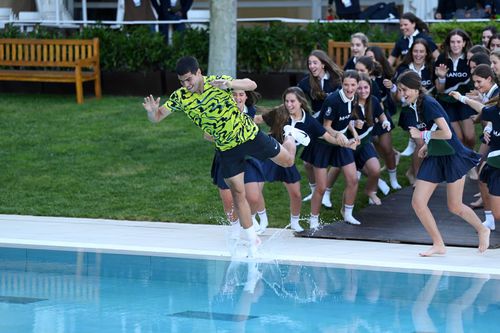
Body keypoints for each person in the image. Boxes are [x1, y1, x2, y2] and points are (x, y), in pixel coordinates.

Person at [142, 56, 297, 257]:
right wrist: (152, 112)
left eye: (189, 79)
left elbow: (252, 84)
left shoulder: (217, 82)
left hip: (248, 135)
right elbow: (157, 117)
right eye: (181, 81)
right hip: (227, 149)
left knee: (288, 162)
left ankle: (291, 137)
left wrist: (230, 83)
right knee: (237, 194)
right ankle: (252, 242)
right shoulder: (181, 97)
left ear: (198, 72)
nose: (186, 85)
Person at [397, 70, 490, 256]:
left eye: (405, 89)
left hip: (452, 155)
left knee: (454, 206)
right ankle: (438, 244)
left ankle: (482, 229)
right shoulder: (414, 106)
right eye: (400, 90)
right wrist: (427, 145)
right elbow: (434, 130)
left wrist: (422, 135)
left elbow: (447, 133)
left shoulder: (429, 104)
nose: (402, 94)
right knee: (418, 202)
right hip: (434, 155)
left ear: (416, 88)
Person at [259, 87, 345, 231]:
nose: (289, 104)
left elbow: (327, 136)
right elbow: (257, 119)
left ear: (300, 102)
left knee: (296, 194)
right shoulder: (280, 112)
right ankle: (259, 220)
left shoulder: (309, 122)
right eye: (286, 101)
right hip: (268, 156)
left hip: (287, 160)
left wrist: (342, 141)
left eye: (292, 101)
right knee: (254, 192)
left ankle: (294, 222)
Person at [208, 89, 269, 239]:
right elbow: (207, 134)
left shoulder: (251, 111)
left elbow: (257, 123)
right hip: (226, 158)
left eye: (241, 94)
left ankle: (249, 217)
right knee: (229, 201)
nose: (237, 97)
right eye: (234, 94)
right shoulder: (220, 111)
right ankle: (235, 229)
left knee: (254, 198)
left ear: (246, 96)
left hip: (248, 158)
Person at [450, 64, 500, 231]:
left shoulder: (495, 96)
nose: (476, 85)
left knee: (482, 170)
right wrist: (462, 99)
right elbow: (483, 110)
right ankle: (490, 217)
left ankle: (490, 216)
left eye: (479, 81)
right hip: (495, 150)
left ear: (489, 79)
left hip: (496, 151)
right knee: (482, 175)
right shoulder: (493, 107)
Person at [312, 70, 361, 225]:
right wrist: (338, 134)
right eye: (346, 84)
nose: (349, 88)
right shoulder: (333, 100)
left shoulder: (354, 97)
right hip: (323, 143)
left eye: (353, 85)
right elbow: (326, 126)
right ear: (342, 83)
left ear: (358, 85)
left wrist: (354, 132)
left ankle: (348, 213)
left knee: (353, 179)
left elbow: (348, 118)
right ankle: (313, 219)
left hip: (342, 142)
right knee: (321, 187)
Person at [297, 49, 343, 204]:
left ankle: (326, 192)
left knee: (337, 161)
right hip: (317, 126)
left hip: (336, 124)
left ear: (323, 64)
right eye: (309, 63)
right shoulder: (305, 83)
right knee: (307, 163)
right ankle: (314, 190)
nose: (311, 66)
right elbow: (299, 102)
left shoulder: (337, 79)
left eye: (315, 62)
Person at [392, 38, 435, 184]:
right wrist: (401, 94)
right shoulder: (403, 68)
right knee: (420, 142)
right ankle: (418, 177)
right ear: (411, 52)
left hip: (426, 111)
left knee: (425, 142)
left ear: (426, 53)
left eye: (421, 51)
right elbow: (398, 97)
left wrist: (441, 78)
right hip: (409, 111)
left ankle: (412, 172)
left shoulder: (431, 68)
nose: (418, 54)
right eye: (415, 51)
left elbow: (439, 90)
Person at [351, 73, 389, 205]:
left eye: (366, 87)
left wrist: (385, 122)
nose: (363, 91)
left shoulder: (373, 100)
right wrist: (353, 124)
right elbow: (340, 124)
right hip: (349, 145)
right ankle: (345, 209)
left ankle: (370, 191)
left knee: (375, 169)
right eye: (359, 88)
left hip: (365, 142)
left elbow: (381, 114)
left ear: (370, 87)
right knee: (351, 181)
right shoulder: (351, 103)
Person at [435, 29, 475, 152]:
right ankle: (463, 162)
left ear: (464, 43)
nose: (455, 45)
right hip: (447, 102)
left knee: (470, 137)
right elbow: (440, 90)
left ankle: (469, 159)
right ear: (448, 43)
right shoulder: (442, 59)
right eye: (452, 42)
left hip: (465, 101)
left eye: (458, 42)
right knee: (459, 138)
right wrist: (441, 78)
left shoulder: (470, 59)